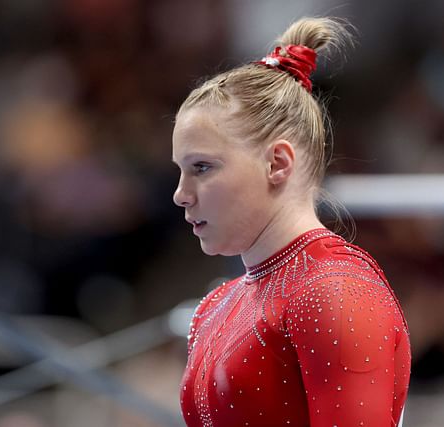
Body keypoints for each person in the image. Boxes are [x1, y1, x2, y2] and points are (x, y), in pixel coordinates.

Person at [172, 16, 411, 427]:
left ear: (277, 163)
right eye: (181, 170)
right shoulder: (216, 306)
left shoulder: (333, 291)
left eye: (203, 168)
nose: (181, 194)